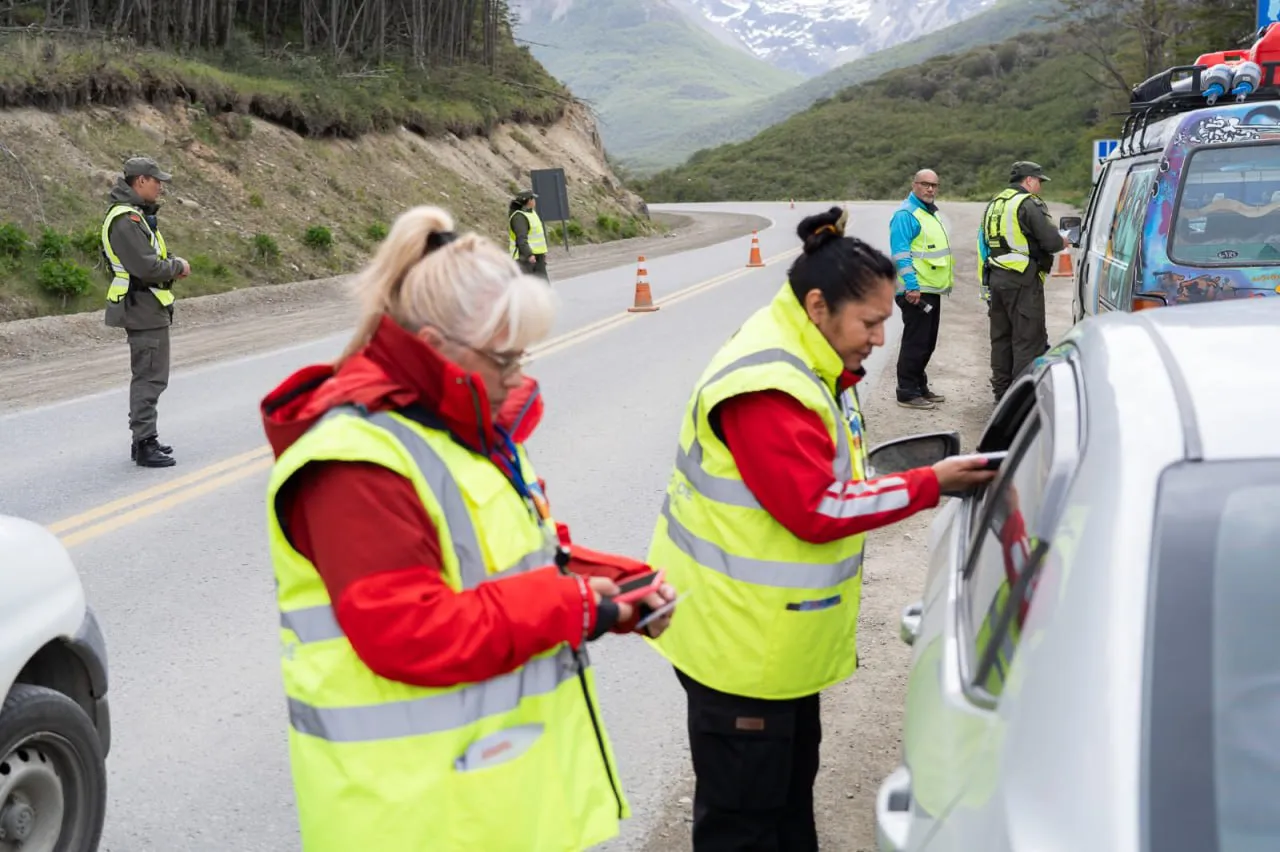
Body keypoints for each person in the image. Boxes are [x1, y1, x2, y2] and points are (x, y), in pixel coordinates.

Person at [259, 204, 675, 851]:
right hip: (415, 820)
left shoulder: (454, 425)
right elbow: (411, 631)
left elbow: (519, 557)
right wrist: (572, 604)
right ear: (433, 348)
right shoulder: (357, 461)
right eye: (503, 359)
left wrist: (616, 594)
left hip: (488, 806)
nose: (517, 377)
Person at [644, 207, 997, 851]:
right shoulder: (770, 387)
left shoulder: (811, 356)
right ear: (817, 305)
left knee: (784, 802)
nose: (878, 339)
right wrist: (932, 483)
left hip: (771, 642)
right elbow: (817, 510)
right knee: (744, 824)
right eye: (870, 322)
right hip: (741, 647)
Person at [102, 156, 190, 468]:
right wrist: (177, 267)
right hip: (141, 308)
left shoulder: (136, 216)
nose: (160, 186)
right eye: (156, 181)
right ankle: (143, 443)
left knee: (152, 375)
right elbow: (146, 266)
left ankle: (146, 438)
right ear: (140, 181)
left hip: (147, 307)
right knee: (149, 377)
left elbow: (150, 257)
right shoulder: (126, 221)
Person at [978, 161, 1068, 403]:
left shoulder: (995, 203)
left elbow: (983, 243)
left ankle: (1001, 394)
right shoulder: (1027, 203)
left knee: (1001, 338)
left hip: (996, 279)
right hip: (1022, 281)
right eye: (1039, 181)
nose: (1040, 186)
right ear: (1029, 180)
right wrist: (1063, 242)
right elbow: (1050, 242)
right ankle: (1020, 401)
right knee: (1028, 339)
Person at [889, 168, 953, 410]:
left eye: (934, 185)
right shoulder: (906, 215)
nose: (930, 189)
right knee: (915, 342)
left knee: (926, 342)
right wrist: (912, 287)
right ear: (914, 185)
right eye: (925, 184)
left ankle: (919, 386)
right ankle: (906, 392)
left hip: (931, 289)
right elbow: (901, 254)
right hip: (915, 292)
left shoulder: (928, 213)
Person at [509, 189, 550, 281]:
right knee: (529, 289)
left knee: (543, 288)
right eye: (532, 199)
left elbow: (537, 237)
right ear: (527, 201)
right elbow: (521, 239)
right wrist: (529, 255)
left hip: (537, 258)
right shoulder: (519, 217)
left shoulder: (531, 213)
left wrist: (542, 254)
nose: (534, 201)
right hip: (525, 259)